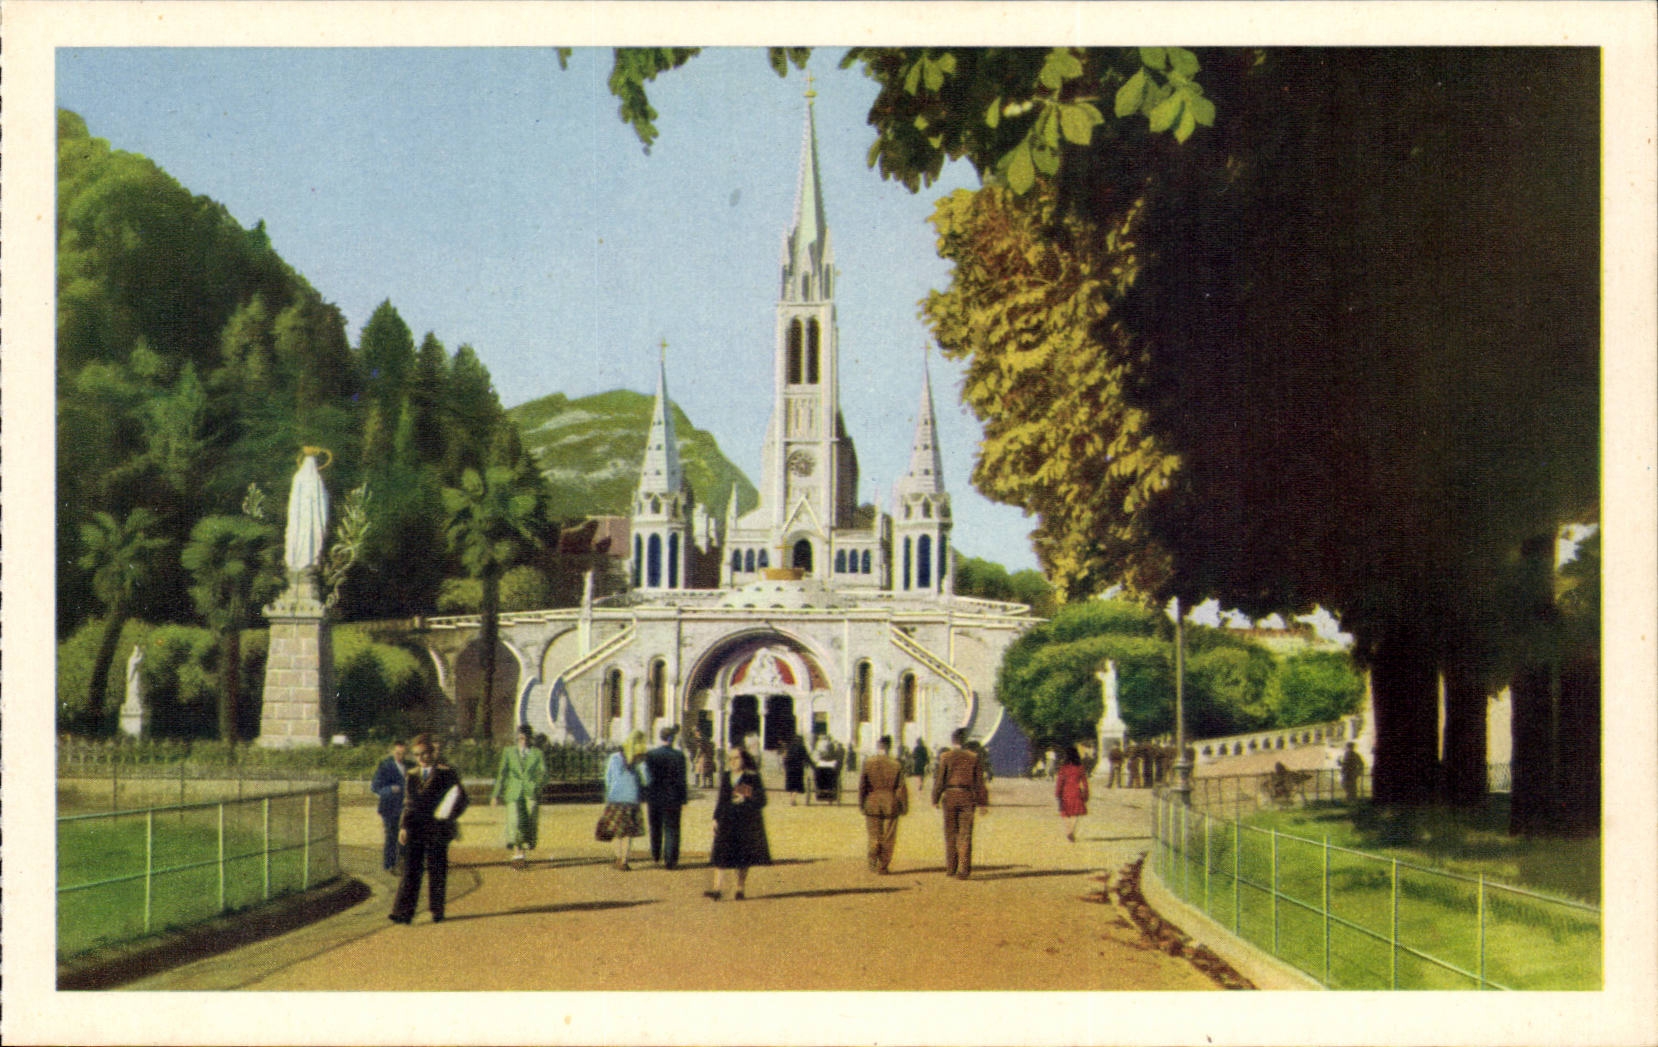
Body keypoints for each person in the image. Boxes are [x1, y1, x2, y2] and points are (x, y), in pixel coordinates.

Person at [389, 734, 468, 924]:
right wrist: (404, 827)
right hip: (416, 827)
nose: (421, 759)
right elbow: (408, 803)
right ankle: (403, 912)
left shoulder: (446, 773)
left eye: (424, 754)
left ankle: (437, 910)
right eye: (417, 755)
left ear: (432, 753)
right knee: (410, 870)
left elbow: (461, 798)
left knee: (436, 869)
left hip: (438, 828)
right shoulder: (412, 775)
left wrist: (448, 815)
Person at [707, 745, 771, 901]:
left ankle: (740, 888)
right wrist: (715, 818)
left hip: (745, 821)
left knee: (742, 857)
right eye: (730, 759)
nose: (732, 762)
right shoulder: (726, 776)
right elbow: (721, 799)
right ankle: (717, 889)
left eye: (736, 758)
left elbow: (762, 800)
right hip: (726, 819)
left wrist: (746, 796)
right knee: (720, 853)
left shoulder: (752, 777)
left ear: (744, 759)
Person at [931, 727, 990, 880]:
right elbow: (979, 782)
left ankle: (951, 867)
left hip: (950, 795)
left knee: (950, 832)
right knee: (965, 834)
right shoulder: (973, 757)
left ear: (953, 741)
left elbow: (940, 780)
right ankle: (963, 870)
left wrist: (935, 799)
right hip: (967, 796)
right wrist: (983, 803)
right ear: (964, 741)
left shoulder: (945, 756)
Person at [492, 724, 548, 869]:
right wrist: (496, 794)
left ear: (530, 739)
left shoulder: (537, 753)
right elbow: (502, 774)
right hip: (513, 791)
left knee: (528, 822)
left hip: (530, 792)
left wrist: (536, 785)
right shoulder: (509, 752)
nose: (523, 741)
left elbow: (544, 773)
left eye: (526, 738)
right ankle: (517, 854)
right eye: (521, 738)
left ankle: (522, 852)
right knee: (515, 821)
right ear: (517, 737)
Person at [857, 735, 909, 874]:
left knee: (873, 834)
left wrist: (862, 803)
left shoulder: (868, 763)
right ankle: (883, 865)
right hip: (890, 802)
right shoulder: (896, 764)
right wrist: (904, 806)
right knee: (888, 836)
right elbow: (900, 787)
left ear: (878, 746)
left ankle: (872, 860)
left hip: (872, 801)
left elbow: (863, 785)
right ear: (889, 747)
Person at [600, 730, 649, 870]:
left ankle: (618, 857)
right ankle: (624, 861)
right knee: (628, 832)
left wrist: (609, 793)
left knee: (616, 830)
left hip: (615, 798)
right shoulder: (639, 758)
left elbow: (608, 777)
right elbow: (646, 779)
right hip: (632, 798)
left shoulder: (615, 757)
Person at [642, 725, 690, 869]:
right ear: (673, 739)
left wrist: (646, 793)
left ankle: (656, 854)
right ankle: (671, 860)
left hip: (655, 796)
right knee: (672, 828)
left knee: (655, 826)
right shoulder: (679, 755)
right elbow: (682, 778)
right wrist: (683, 797)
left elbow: (647, 777)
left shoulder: (651, 755)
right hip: (673, 797)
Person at [370, 739, 409, 872]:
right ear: (393, 752)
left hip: (404, 807)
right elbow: (375, 787)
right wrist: (390, 789)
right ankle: (389, 865)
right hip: (389, 807)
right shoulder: (385, 766)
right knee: (391, 836)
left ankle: (402, 863)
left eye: (403, 754)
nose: (400, 757)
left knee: (405, 835)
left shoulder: (409, 766)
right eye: (398, 753)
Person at [1054, 745, 1089, 843]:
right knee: (1075, 813)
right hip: (1077, 792)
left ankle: (1068, 830)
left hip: (1065, 792)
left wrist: (1057, 793)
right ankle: (1071, 831)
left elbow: (1060, 781)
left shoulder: (1063, 768)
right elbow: (1085, 782)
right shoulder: (1080, 768)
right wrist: (1086, 794)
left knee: (1065, 813)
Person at [782, 732, 810, 805]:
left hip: (789, 768)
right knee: (796, 785)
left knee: (791, 784)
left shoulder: (790, 746)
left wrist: (785, 766)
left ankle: (792, 799)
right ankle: (793, 800)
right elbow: (807, 757)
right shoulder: (802, 747)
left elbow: (785, 757)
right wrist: (813, 765)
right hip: (798, 768)